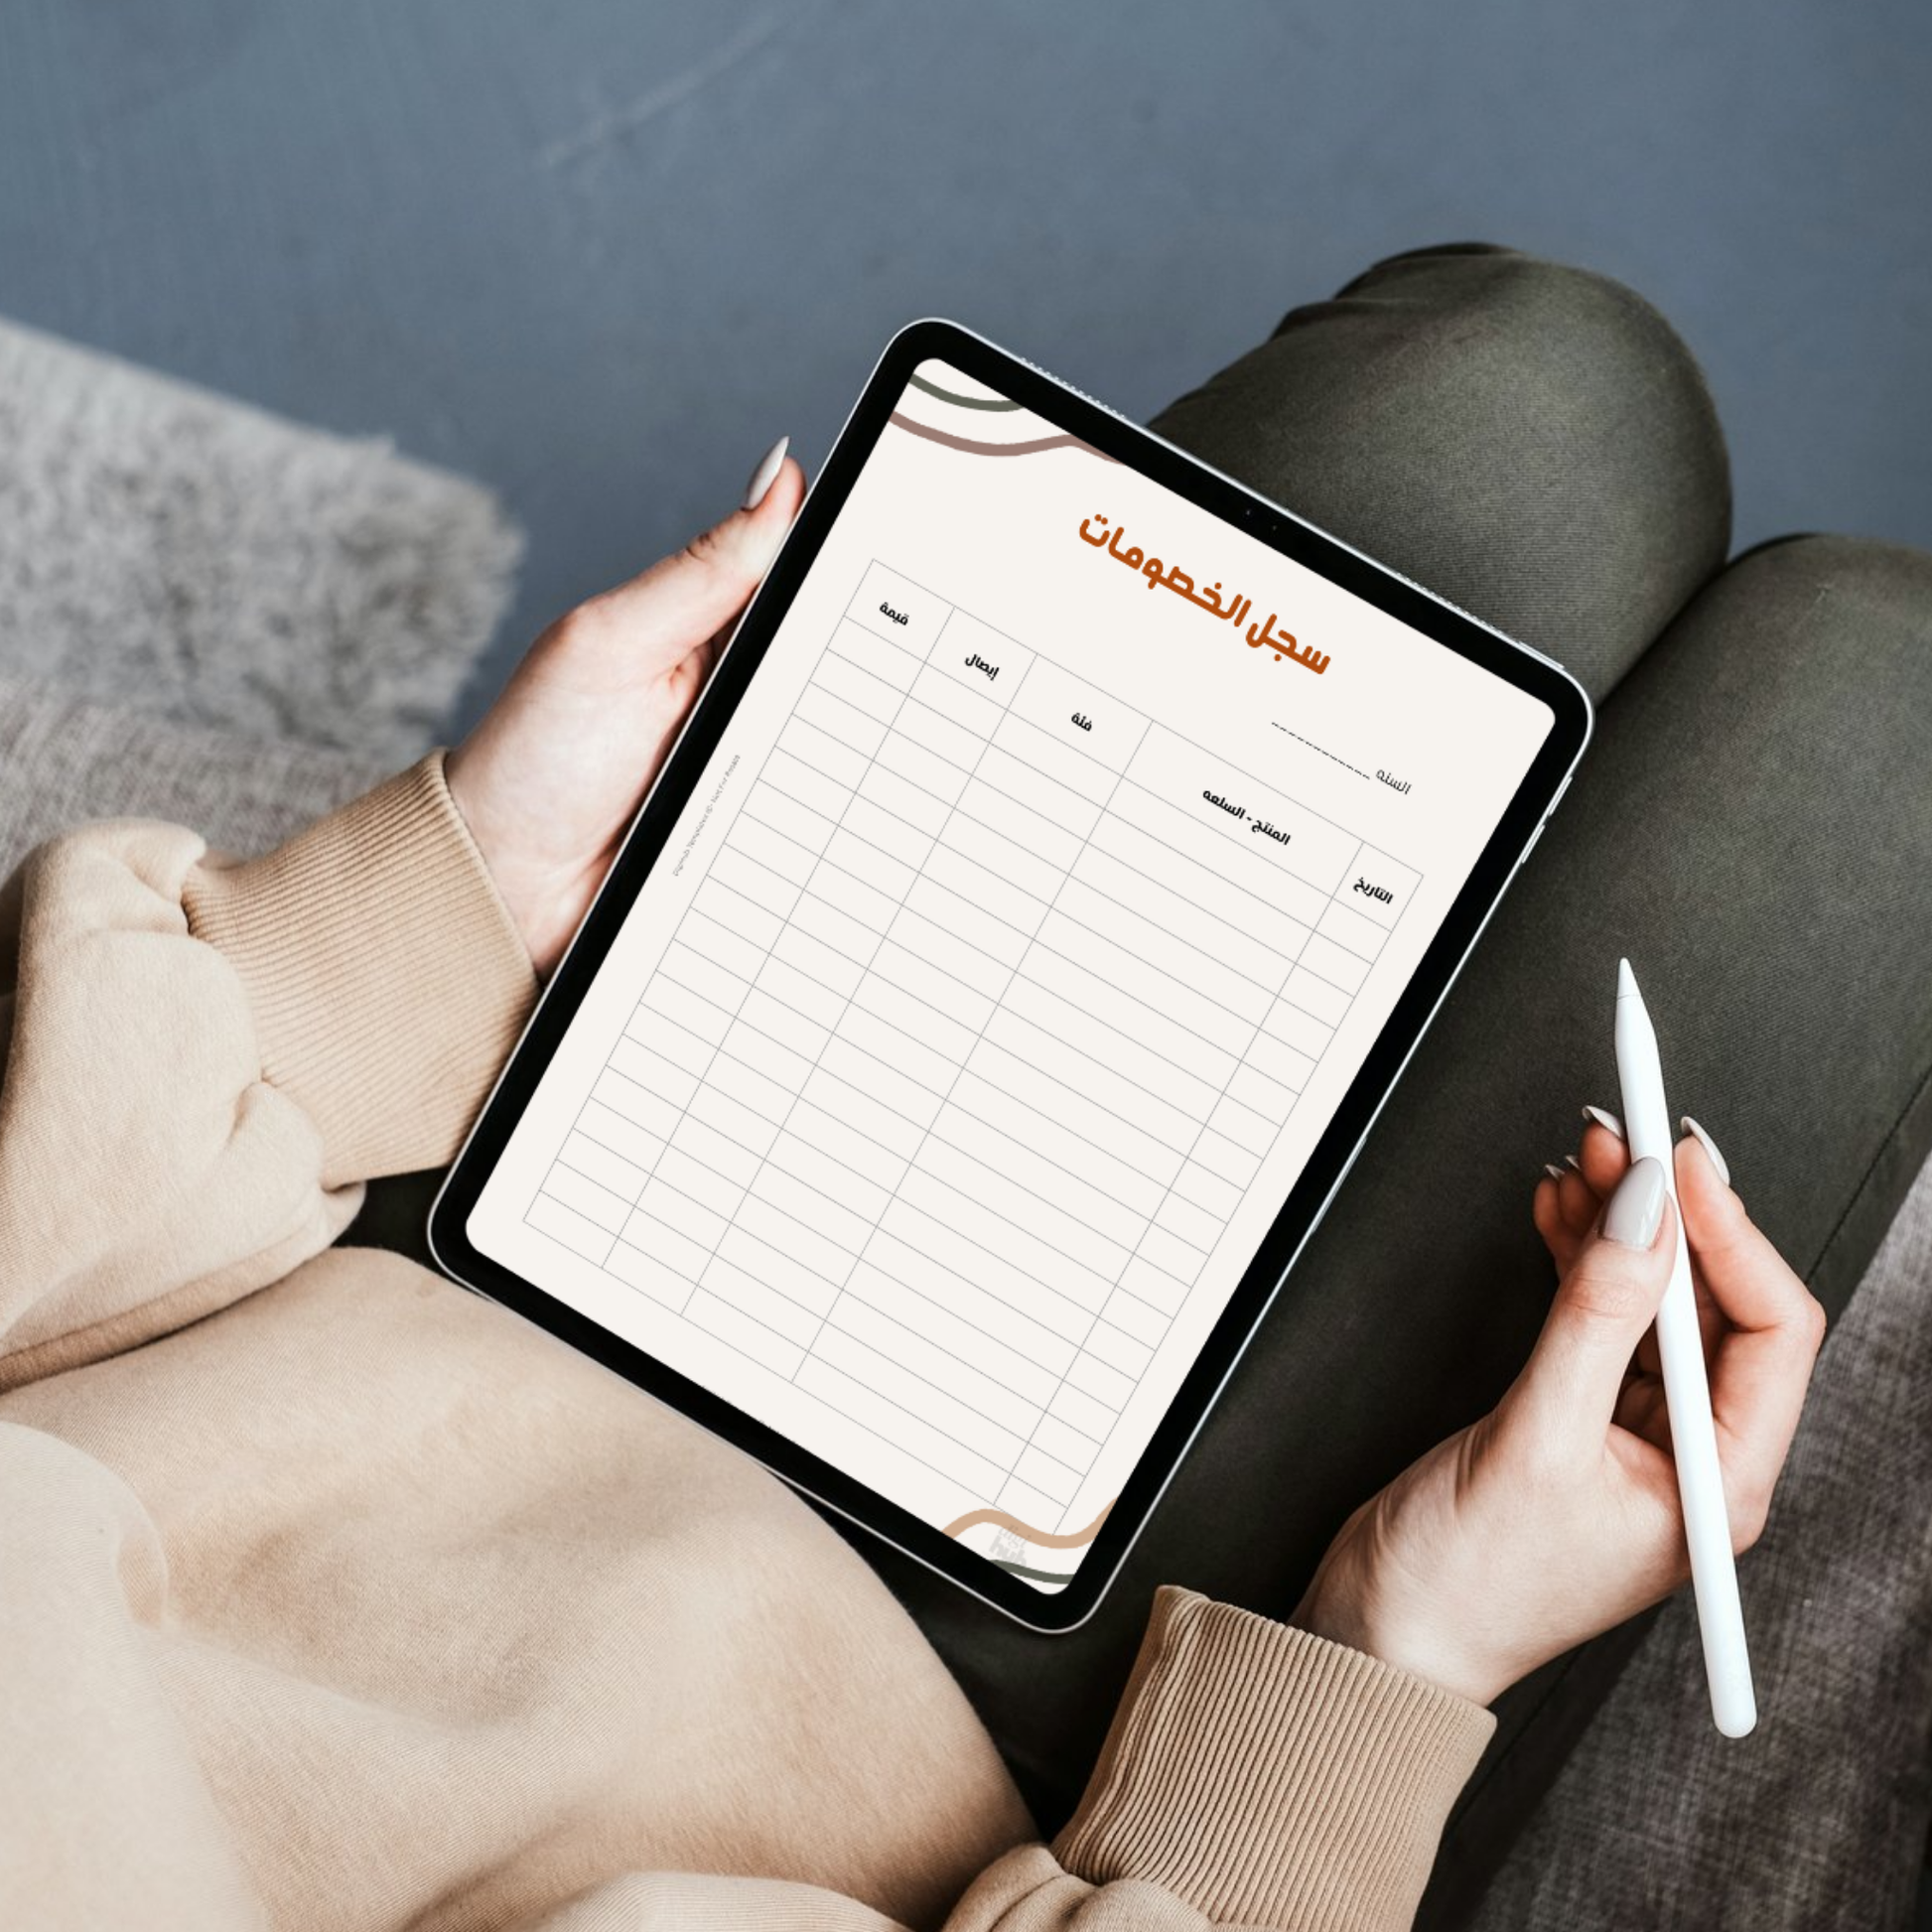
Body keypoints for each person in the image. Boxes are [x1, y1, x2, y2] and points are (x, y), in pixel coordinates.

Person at [0, 243, 1922, 1932]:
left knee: (1543, 383)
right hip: (1047, 1803)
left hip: (443, 1255)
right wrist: (1392, 1648)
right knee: (1882, 709)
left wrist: (418, 921)